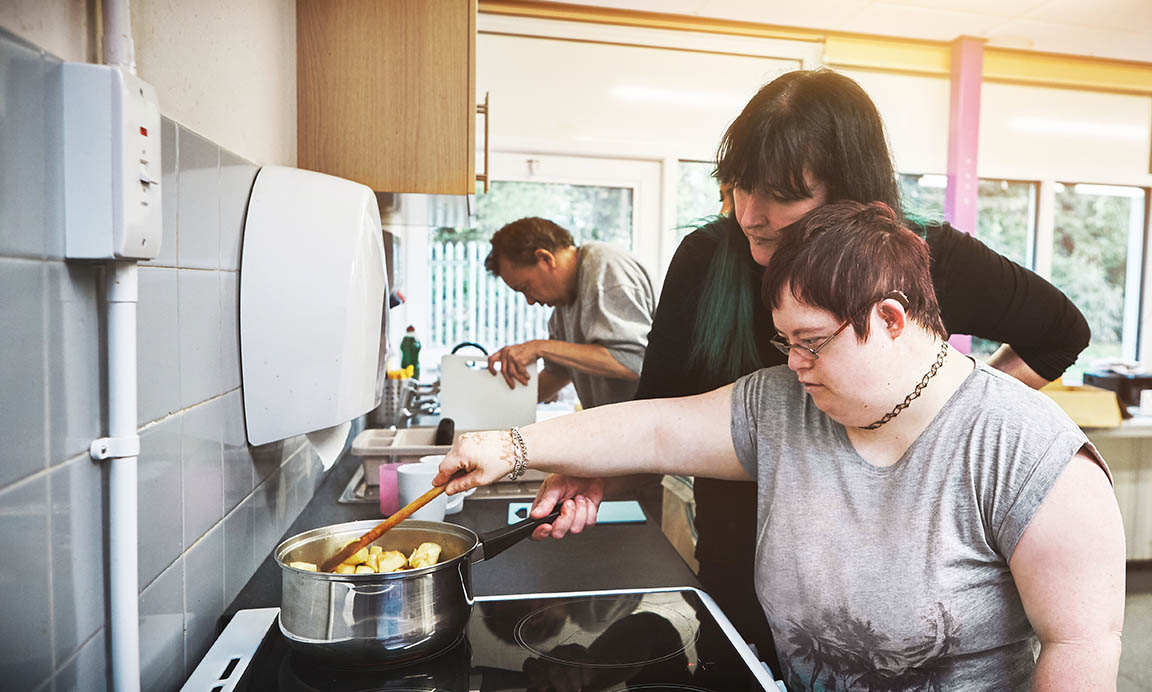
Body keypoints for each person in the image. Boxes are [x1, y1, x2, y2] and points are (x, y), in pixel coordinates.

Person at [521, 68, 1092, 668]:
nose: (750, 214)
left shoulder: (926, 256)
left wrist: (948, 423)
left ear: (849, 191)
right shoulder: (707, 260)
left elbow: (1059, 334)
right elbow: (656, 421)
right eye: (739, 186)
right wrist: (597, 474)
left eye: (781, 195)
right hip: (739, 574)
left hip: (897, 582)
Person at [435, 201, 1125, 691]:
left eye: (812, 343)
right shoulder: (785, 407)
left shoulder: (1031, 454)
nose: (794, 364)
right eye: (784, 342)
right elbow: (654, 427)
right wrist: (513, 445)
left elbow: (1082, 647)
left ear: (888, 318)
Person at [484, 216, 656, 409]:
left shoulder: (605, 270)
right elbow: (558, 373)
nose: (530, 301)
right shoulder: (562, 303)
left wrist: (540, 347)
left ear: (545, 259)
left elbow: (631, 363)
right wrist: (499, 410)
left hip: (647, 431)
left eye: (526, 287)